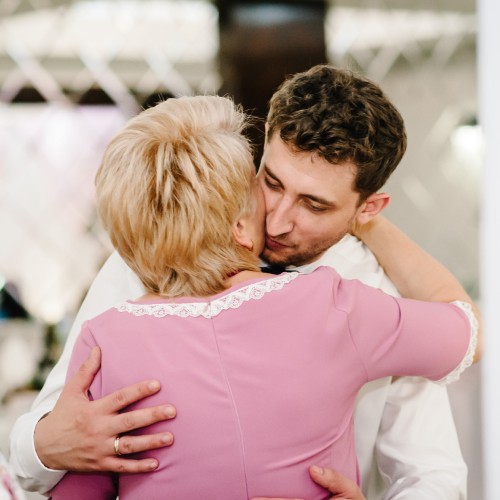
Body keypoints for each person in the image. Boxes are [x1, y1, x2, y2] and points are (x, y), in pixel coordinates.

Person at [9, 65, 470, 499]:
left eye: (315, 205)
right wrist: (46, 446)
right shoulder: (144, 262)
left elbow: (433, 472)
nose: (279, 220)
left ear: (367, 209)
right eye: (270, 181)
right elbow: (44, 442)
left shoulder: (377, 289)